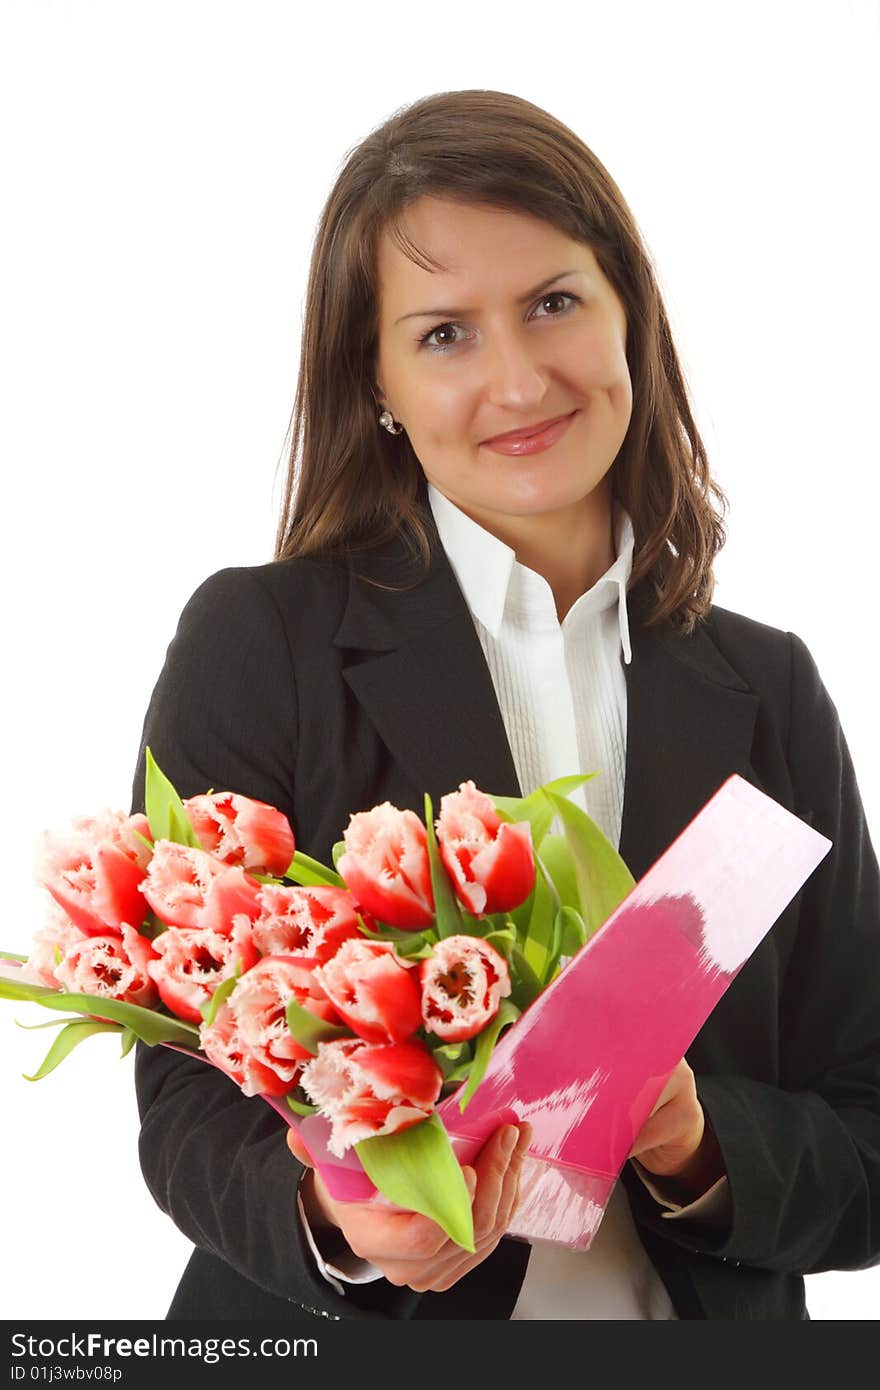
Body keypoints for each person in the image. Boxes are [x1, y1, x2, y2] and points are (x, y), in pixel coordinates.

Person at [130, 88, 880, 1321]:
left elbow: (864, 1122)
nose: (519, 379)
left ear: (628, 311)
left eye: (552, 303)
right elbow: (182, 1100)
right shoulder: (262, 643)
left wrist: (699, 1146)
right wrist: (338, 1224)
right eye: (442, 335)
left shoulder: (770, 687)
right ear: (371, 381)